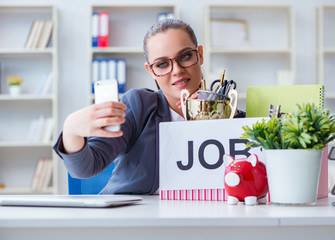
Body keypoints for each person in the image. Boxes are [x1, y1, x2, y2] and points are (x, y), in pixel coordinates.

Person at [53, 19, 245, 195]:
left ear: (200, 55)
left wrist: (219, 118)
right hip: (136, 220)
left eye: (185, 56)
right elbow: (85, 168)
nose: (177, 70)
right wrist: (71, 130)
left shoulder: (226, 111)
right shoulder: (139, 105)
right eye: (162, 64)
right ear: (151, 71)